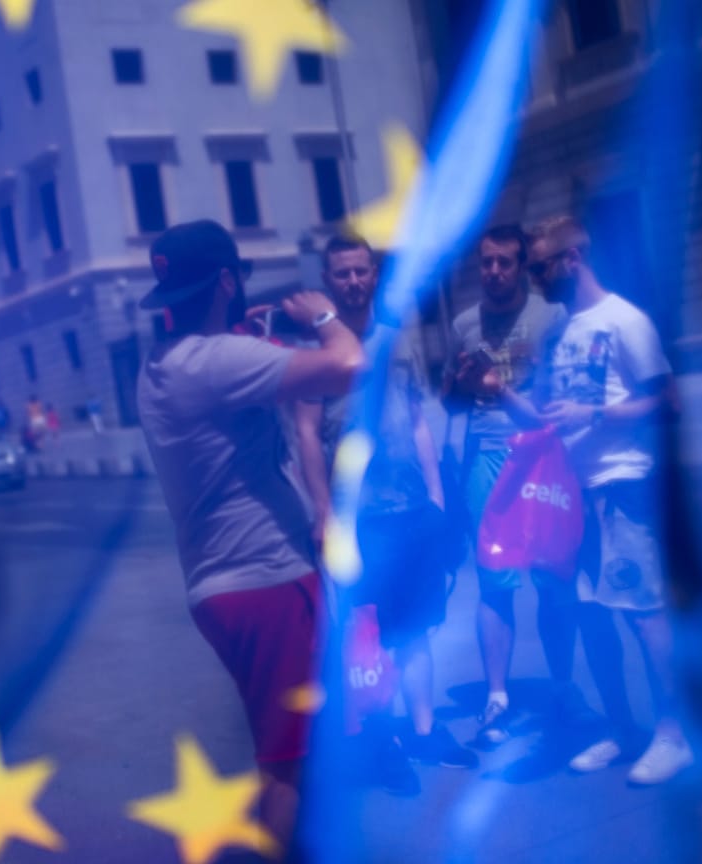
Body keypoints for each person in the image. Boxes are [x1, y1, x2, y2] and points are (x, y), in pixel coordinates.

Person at [136, 220, 364, 848]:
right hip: (267, 581)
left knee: (292, 747)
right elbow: (348, 363)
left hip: (220, 587)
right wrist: (324, 316)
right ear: (228, 282)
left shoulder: (160, 365)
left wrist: (248, 335)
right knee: (287, 764)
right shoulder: (220, 361)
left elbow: (222, 374)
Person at [295, 235, 477, 786]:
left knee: (416, 627)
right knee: (365, 636)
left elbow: (418, 418)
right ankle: (382, 739)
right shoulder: (315, 348)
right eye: (342, 274)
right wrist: (323, 510)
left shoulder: (398, 337)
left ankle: (423, 733)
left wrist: (437, 494)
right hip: (358, 519)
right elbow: (305, 432)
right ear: (329, 280)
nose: (353, 281)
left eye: (360, 271)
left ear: (375, 275)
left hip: (412, 511)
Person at [521, 215, 692, 785]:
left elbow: (668, 402)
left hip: (623, 485)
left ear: (573, 258)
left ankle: (674, 736)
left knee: (643, 614)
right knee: (592, 617)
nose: (534, 278)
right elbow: (551, 418)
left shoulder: (625, 321)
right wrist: (495, 396)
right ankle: (622, 729)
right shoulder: (558, 333)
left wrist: (596, 413)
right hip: (572, 496)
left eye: (540, 266)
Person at [442, 225, 574, 748]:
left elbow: (564, 394)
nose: (494, 272)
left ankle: (563, 689)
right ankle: (497, 696)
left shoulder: (551, 317)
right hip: (487, 458)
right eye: (486, 263)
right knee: (495, 582)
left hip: (541, 458)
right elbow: (450, 402)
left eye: (505, 263)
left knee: (551, 579)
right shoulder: (463, 324)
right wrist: (460, 384)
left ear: (522, 267)